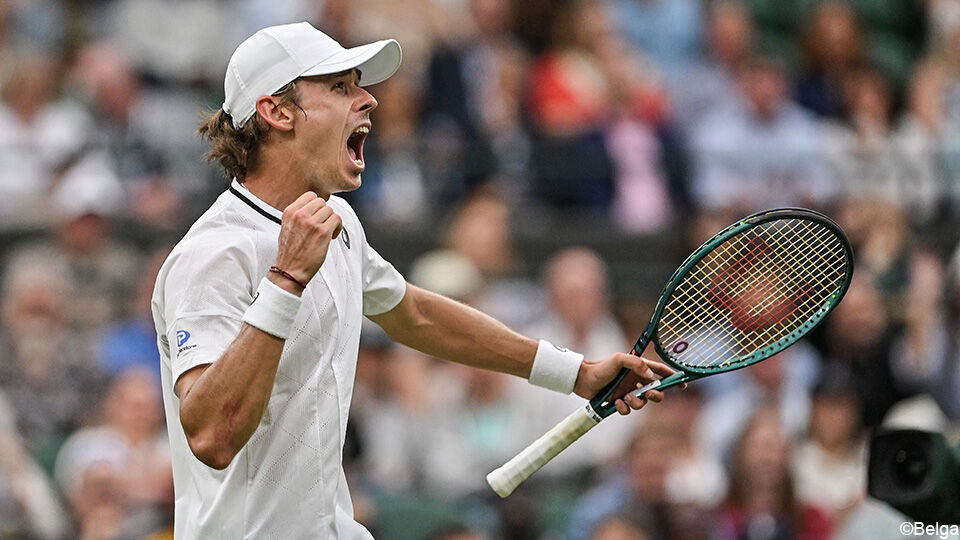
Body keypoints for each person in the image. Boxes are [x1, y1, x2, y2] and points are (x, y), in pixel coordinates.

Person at [151, 22, 671, 539]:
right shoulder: (212, 255)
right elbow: (212, 436)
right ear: (278, 112)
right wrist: (286, 281)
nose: (369, 101)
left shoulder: (340, 223)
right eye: (340, 87)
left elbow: (415, 314)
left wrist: (574, 372)